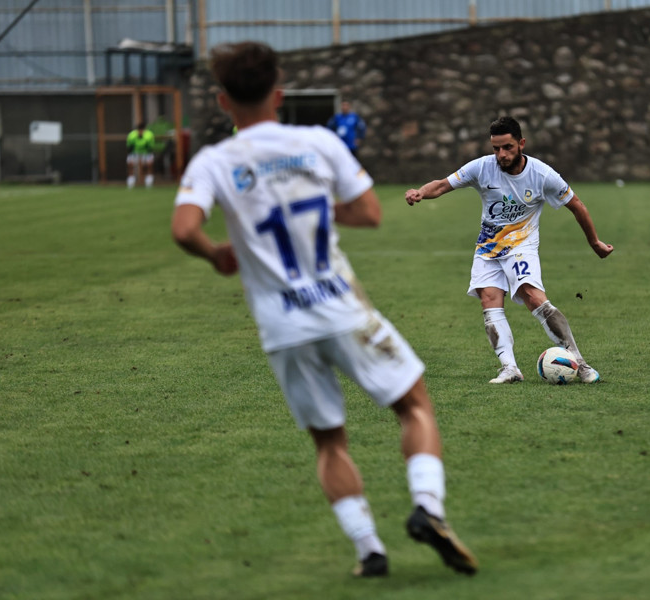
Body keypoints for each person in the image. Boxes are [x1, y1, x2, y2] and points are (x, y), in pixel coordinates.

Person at [171, 41, 477, 578]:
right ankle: (428, 509)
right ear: (279, 93)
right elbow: (370, 213)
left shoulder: (215, 161)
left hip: (281, 326)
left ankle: (369, 551)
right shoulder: (317, 142)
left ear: (222, 102)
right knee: (414, 406)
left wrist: (217, 253)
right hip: (341, 309)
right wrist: (311, 212)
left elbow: (183, 229)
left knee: (329, 442)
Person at [405, 116, 613, 385]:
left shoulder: (542, 175)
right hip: (487, 248)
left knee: (533, 297)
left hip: (521, 246)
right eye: (496, 148)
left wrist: (594, 242)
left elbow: (578, 206)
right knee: (489, 301)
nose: (501, 154)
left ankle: (580, 363)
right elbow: (444, 184)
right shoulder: (482, 167)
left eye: (507, 147)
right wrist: (420, 192)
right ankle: (510, 368)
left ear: (521, 144)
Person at [126, 122, 156, 188]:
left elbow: (151, 147)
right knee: (130, 163)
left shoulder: (149, 135)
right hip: (135, 152)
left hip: (146, 153)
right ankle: (131, 181)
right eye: (139, 130)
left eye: (142, 130)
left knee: (149, 164)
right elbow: (129, 147)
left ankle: (149, 181)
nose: (141, 132)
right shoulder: (132, 135)